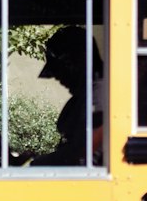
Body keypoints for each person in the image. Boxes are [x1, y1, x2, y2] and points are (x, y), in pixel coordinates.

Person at [34, 25, 104, 165]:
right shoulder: (85, 96)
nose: (58, 78)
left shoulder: (100, 95)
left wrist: (37, 164)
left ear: (75, 64)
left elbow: (84, 156)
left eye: (59, 70)